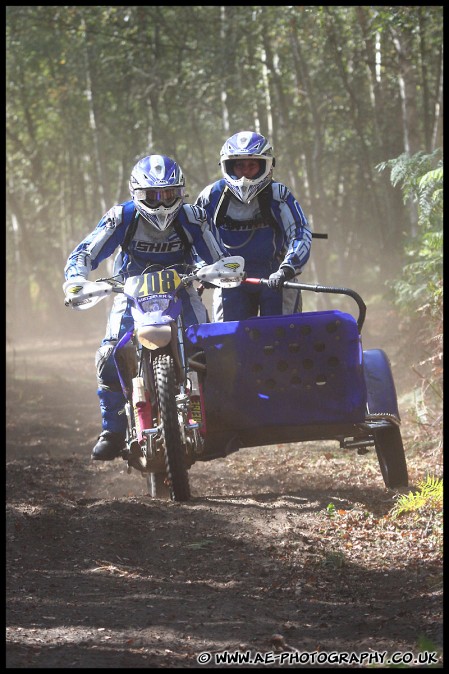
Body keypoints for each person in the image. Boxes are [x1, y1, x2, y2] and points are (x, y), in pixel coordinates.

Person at [63, 154, 227, 461]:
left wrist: (215, 271)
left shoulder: (192, 218)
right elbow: (85, 252)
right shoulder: (122, 217)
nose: (163, 204)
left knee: (208, 349)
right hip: (130, 294)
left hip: (181, 291)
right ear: (136, 193)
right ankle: (112, 431)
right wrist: (76, 279)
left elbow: (217, 256)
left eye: (169, 195)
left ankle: (214, 422)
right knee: (110, 355)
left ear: (181, 192)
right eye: (153, 196)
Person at [195, 130, 312, 321]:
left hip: (276, 275)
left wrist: (287, 268)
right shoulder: (211, 196)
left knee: (283, 337)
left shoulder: (279, 194)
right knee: (228, 341)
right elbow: (194, 237)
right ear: (228, 166)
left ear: (266, 166)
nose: (245, 173)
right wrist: (203, 269)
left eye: (252, 165)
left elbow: (300, 232)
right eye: (240, 166)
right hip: (229, 277)